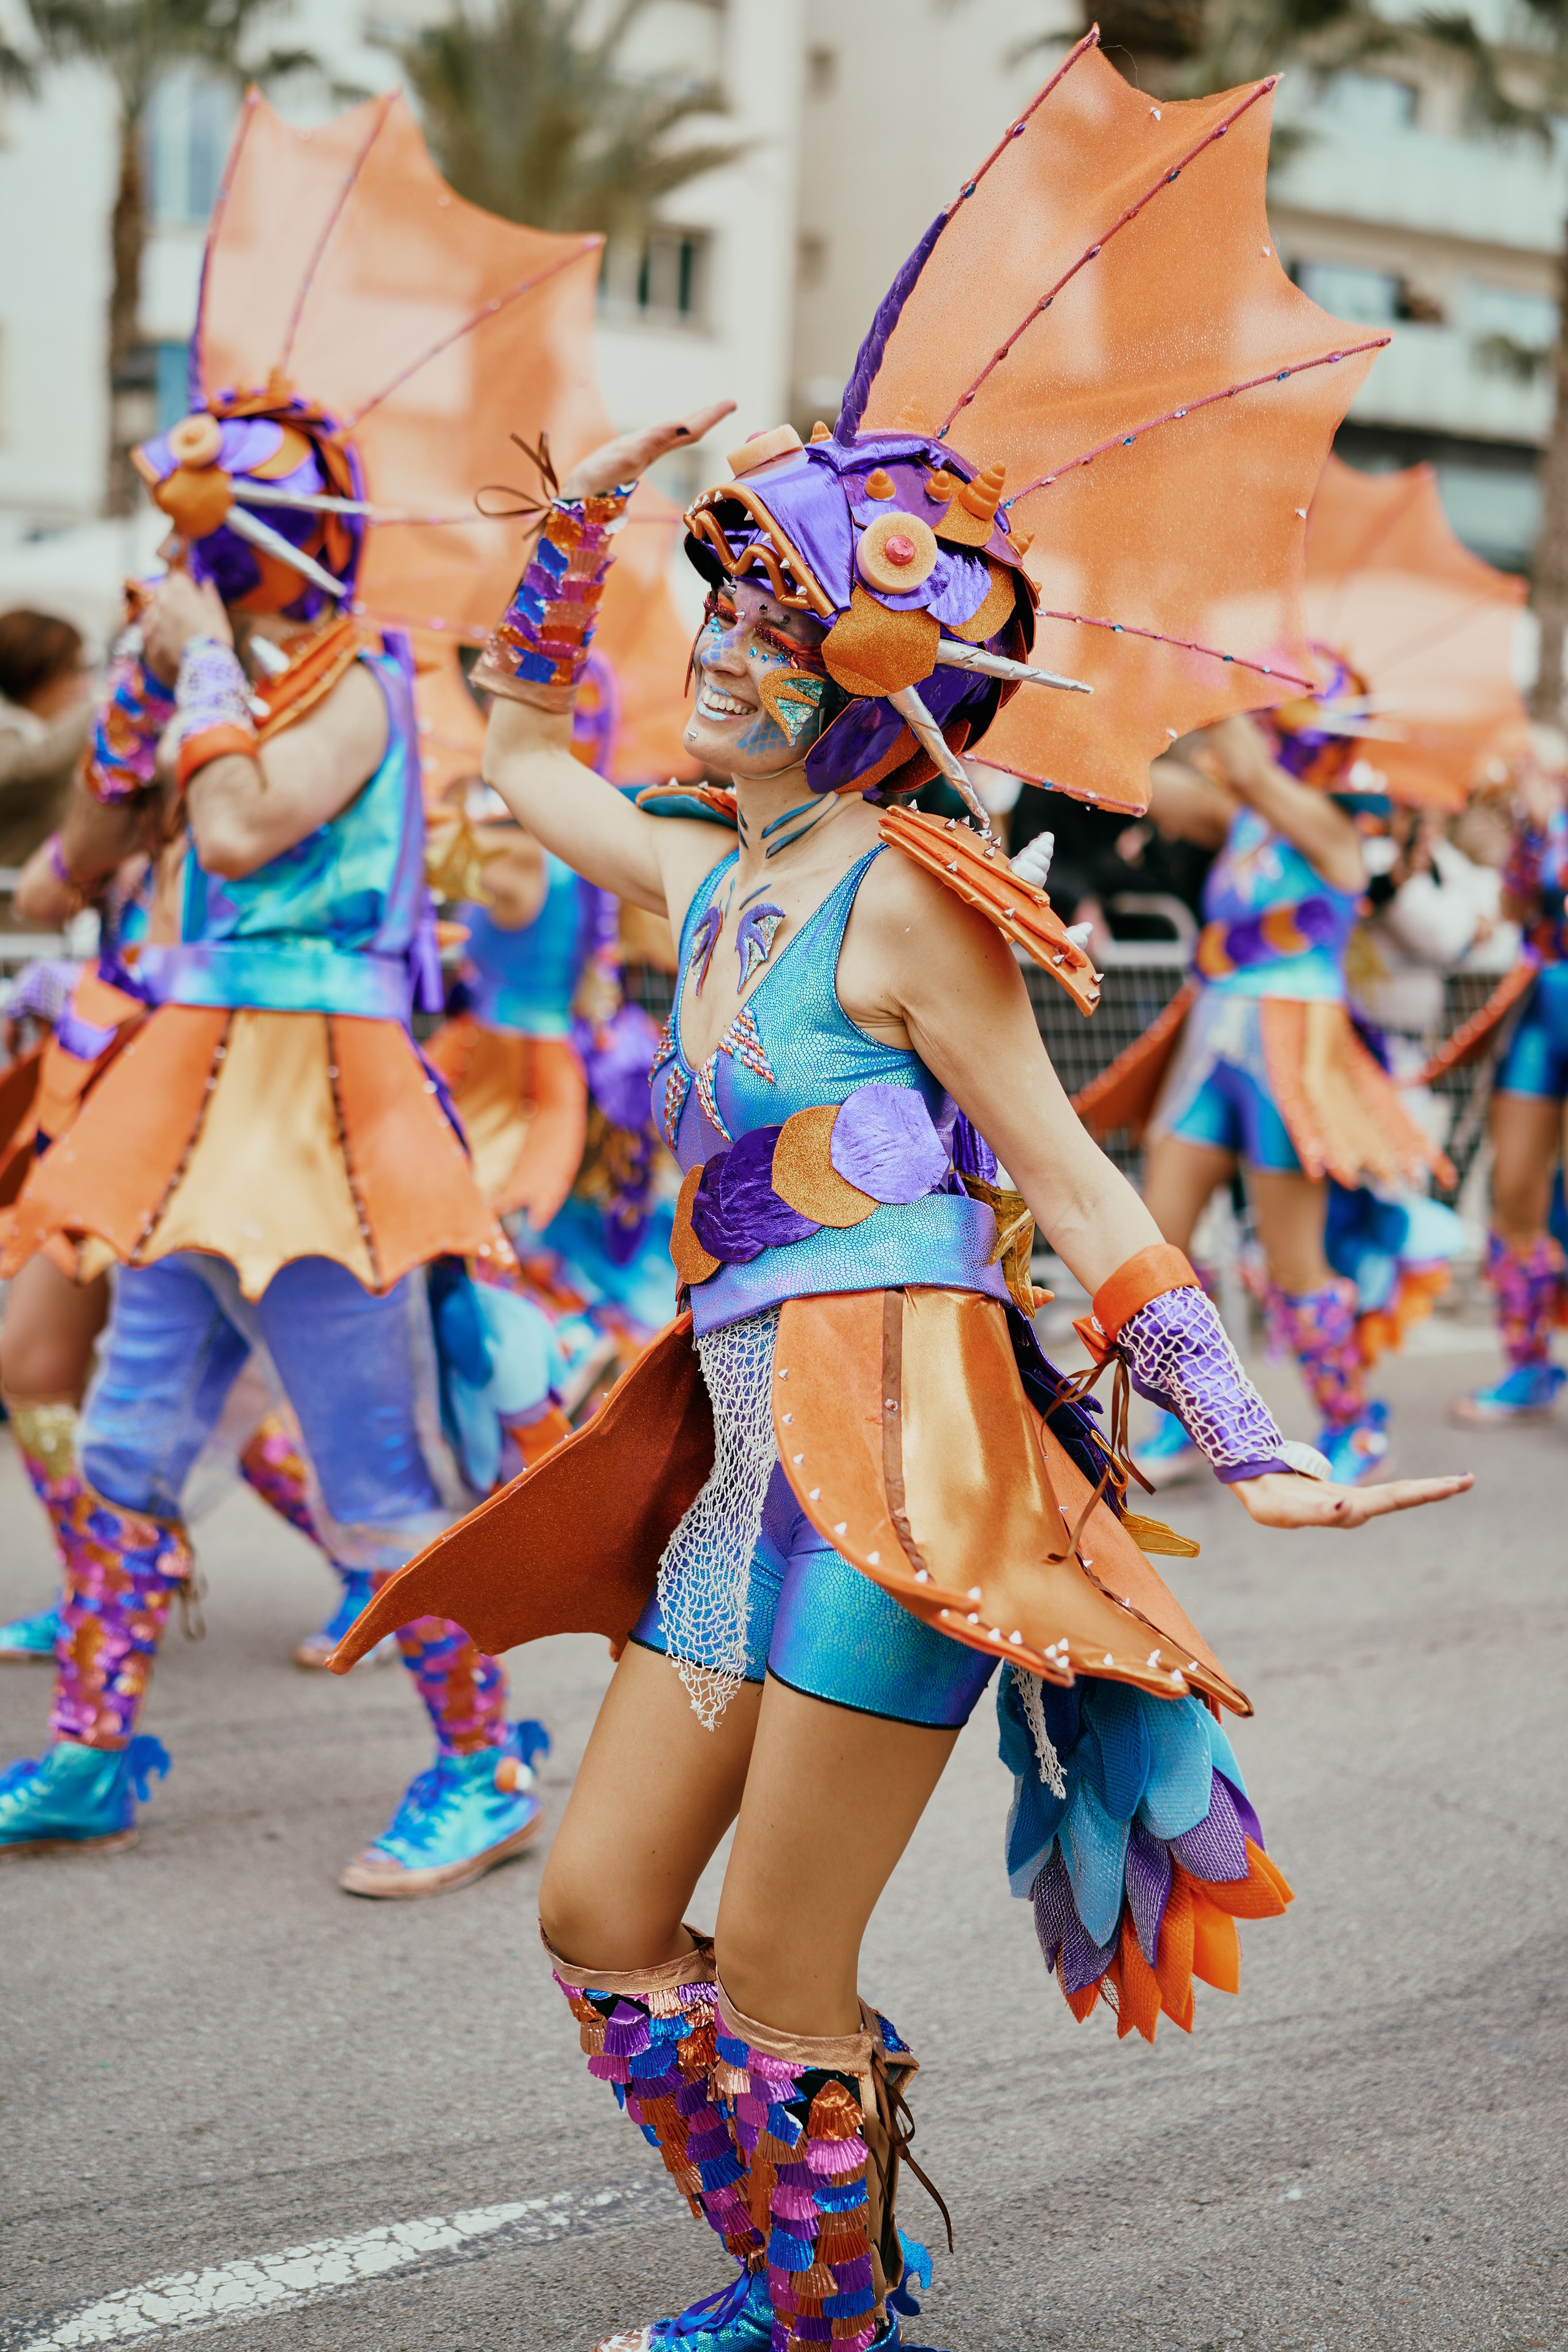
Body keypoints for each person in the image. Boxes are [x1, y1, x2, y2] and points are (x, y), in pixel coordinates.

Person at [334, 371, 1470, 2352]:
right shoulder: (707, 869)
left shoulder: (909, 898)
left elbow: (1077, 1181)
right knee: (598, 1914)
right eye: (720, 609)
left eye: (777, 625)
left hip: (902, 1484)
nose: (721, 653)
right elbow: (516, 752)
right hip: (741, 1471)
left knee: (783, 1968)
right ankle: (817, 2257)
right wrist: (576, 527)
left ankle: (830, 2318)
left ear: (873, 680)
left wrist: (1249, 1437)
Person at [0, 404, 553, 1893]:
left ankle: (484, 1765)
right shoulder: (223, 677)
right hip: (185, 1092)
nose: (191, 547)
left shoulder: (360, 675)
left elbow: (243, 832)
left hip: (320, 1106)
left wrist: (193, 669)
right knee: (124, 1443)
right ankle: (92, 1748)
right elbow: (84, 862)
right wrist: (134, 710)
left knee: (373, 1465)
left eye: (217, 523)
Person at [1077, 692, 1458, 1488]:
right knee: (1157, 1245)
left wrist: (1230, 691)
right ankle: (1194, 1418)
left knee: (1294, 1264)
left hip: (1289, 1055)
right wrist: (1128, 704)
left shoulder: (1332, 829)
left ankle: (1353, 1423)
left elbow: (1252, 773)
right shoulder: (1244, 817)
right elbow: (1146, 782)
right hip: (1212, 1040)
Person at [1448, 726, 1568, 1422]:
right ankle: (1528, 1365)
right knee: (1515, 1185)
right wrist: (1526, 832)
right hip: (1539, 1008)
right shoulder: (1533, 826)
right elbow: (1514, 907)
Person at [0, 608, 93, 912]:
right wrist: (112, 701)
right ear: (35, 671)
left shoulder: (34, 731)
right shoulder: (11, 735)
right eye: (73, 670)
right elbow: (33, 767)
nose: (82, 686)